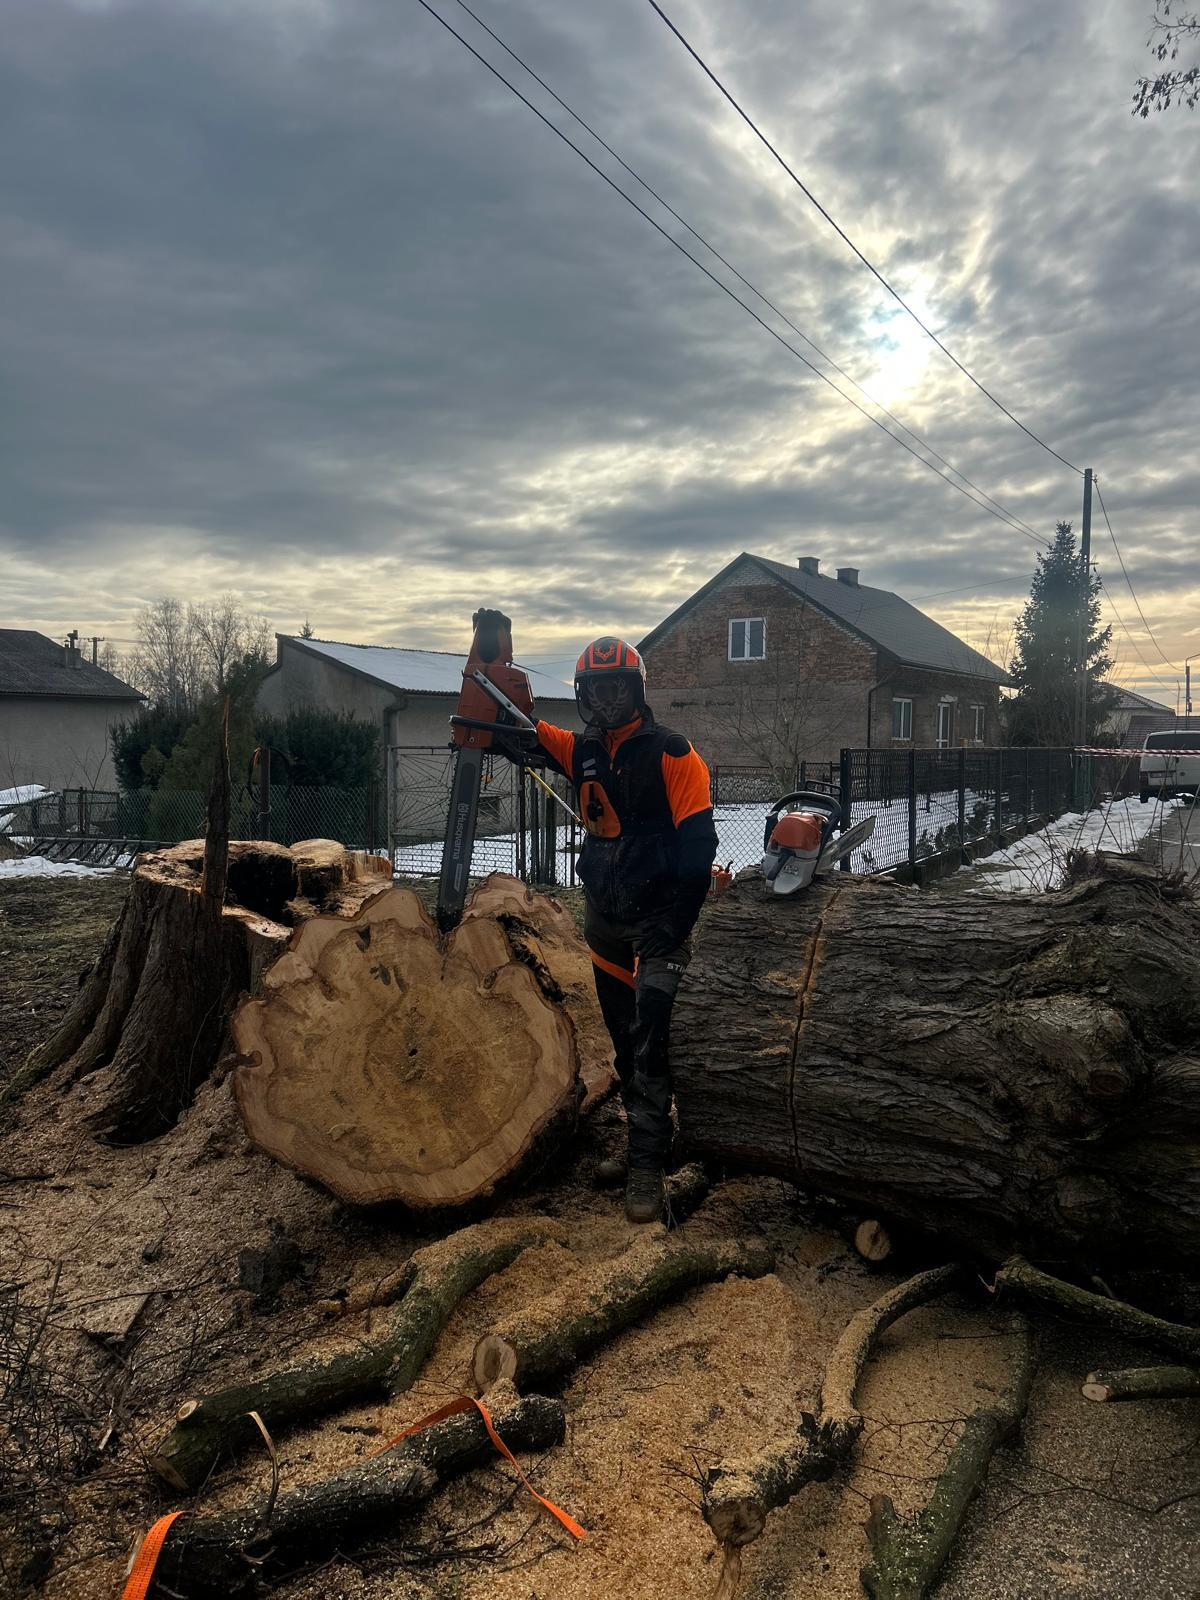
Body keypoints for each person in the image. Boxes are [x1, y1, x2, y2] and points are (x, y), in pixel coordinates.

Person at [528, 637, 718, 1223]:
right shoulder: (582, 750)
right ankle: (646, 1145)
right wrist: (498, 696)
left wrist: (675, 924)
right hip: (605, 921)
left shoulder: (674, 754)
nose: (606, 700)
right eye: (595, 690)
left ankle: (647, 1163)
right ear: (583, 695)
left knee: (652, 1043)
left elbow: (700, 850)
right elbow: (527, 737)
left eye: (616, 688)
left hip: (658, 924)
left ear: (635, 689)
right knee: (620, 1038)